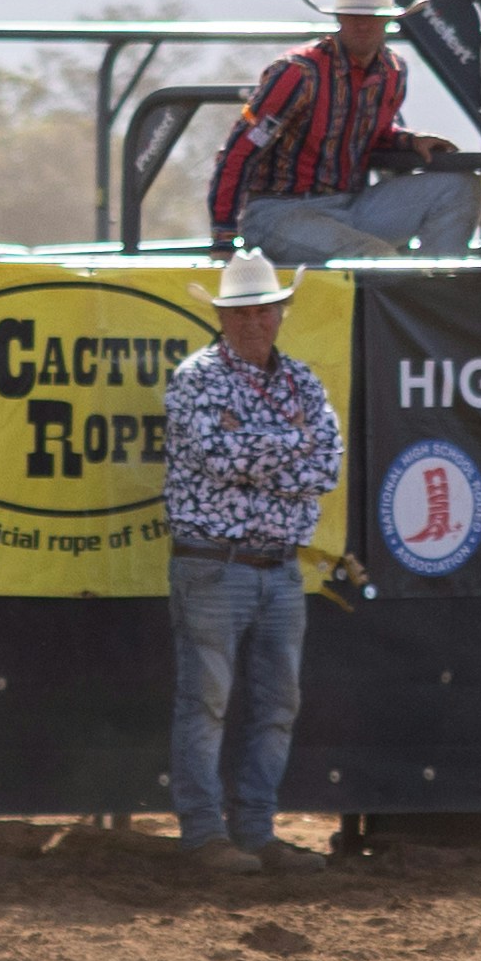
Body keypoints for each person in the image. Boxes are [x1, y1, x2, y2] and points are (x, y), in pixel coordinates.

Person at [158, 246, 344, 875]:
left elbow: (327, 466)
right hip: (215, 563)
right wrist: (293, 443)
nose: (252, 322)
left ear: (281, 313)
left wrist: (258, 446)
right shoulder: (196, 380)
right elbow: (220, 459)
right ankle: (206, 834)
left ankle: (256, 829)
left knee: (275, 703)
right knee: (207, 701)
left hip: (276, 566)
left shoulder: (304, 382)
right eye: (240, 313)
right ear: (221, 318)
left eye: (262, 310)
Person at [216, 0, 481, 263]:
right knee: (373, 257)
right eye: (353, 16)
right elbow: (241, 150)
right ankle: (412, 297)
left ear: (388, 20)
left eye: (372, 16)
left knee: (460, 187)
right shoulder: (298, 73)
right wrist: (224, 235)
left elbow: (374, 135)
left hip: (351, 205)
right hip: (279, 211)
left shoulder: (392, 72)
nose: (362, 25)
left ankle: (437, 291)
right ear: (339, 19)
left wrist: (408, 141)